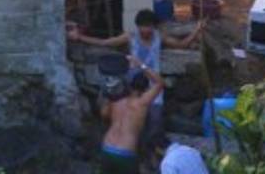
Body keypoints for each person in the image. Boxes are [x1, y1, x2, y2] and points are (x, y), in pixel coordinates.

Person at [68, 9, 205, 148]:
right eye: (142, 26)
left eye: (148, 26)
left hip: (153, 83)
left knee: (155, 119)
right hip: (133, 83)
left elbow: (181, 44)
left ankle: (153, 148)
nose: (145, 29)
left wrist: (197, 31)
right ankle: (132, 146)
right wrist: (80, 37)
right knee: (131, 119)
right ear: (137, 26)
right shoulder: (131, 36)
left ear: (153, 26)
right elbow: (106, 42)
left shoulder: (159, 37)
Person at [97, 57, 164, 173]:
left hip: (107, 147)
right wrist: (140, 64)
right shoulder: (141, 103)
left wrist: (107, 94)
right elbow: (159, 83)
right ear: (145, 90)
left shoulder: (116, 100)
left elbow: (103, 115)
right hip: (126, 152)